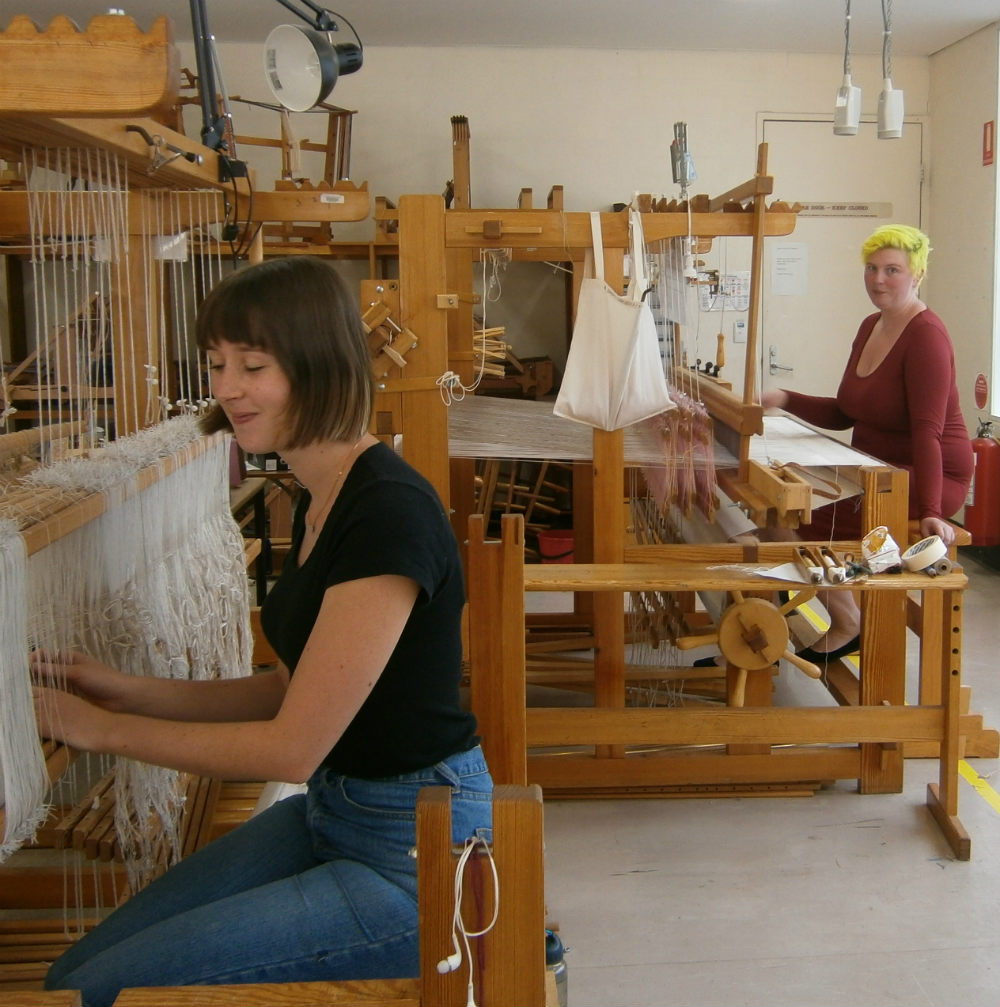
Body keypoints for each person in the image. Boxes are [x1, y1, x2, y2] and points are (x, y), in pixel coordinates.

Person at [35, 255, 492, 1005]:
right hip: (333, 811)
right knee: (68, 978)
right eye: (218, 364)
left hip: (417, 858)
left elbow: (290, 744)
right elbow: (290, 688)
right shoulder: (319, 496)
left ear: (317, 362)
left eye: (253, 364)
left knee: (94, 993)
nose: (227, 389)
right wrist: (121, 690)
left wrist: (101, 730)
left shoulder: (386, 512)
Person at [760, 223, 973, 662]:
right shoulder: (870, 326)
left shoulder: (927, 335)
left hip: (924, 475)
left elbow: (927, 432)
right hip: (875, 471)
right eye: (872, 268)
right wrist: (781, 398)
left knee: (789, 517)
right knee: (774, 507)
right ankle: (784, 616)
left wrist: (933, 511)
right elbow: (845, 410)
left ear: (917, 274)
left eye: (892, 270)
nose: (878, 279)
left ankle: (846, 620)